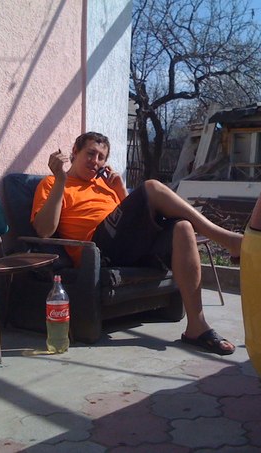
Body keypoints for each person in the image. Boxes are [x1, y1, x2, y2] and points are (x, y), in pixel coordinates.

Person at [31, 131, 242, 355]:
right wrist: (60, 181)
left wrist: (120, 190)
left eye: (101, 157)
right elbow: (44, 230)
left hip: (126, 247)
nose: (95, 161)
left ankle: (197, 327)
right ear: (75, 151)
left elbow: (135, 220)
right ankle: (227, 239)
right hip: (96, 250)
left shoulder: (106, 186)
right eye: (90, 153)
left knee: (182, 228)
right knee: (152, 187)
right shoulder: (52, 183)